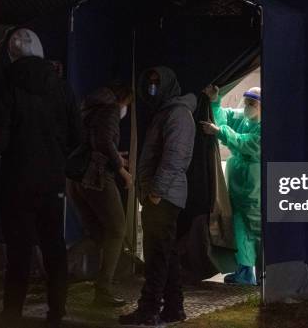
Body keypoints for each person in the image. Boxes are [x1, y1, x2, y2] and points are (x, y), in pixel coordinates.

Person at [0, 28, 82, 327]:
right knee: (54, 246)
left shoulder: (7, 84)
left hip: (16, 181)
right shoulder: (61, 85)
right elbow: (77, 134)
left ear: (12, 55)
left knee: (19, 251)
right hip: (51, 180)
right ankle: (56, 313)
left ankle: (12, 313)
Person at [119, 67, 196, 326]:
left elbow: (175, 158)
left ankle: (148, 310)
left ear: (168, 84)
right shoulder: (166, 112)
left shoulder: (178, 114)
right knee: (167, 254)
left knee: (156, 257)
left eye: (156, 82)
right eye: (149, 82)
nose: (151, 87)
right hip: (161, 195)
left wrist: (155, 192)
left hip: (163, 197)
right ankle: (174, 308)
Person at [68, 84, 133, 306]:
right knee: (117, 229)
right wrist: (122, 170)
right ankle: (103, 291)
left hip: (76, 178)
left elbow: (91, 142)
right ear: (125, 97)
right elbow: (103, 142)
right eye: (130, 102)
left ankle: (63, 275)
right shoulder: (111, 108)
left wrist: (117, 156)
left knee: (98, 233)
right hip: (96, 177)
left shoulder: (89, 107)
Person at [201, 85, 261, 286]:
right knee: (239, 228)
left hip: (255, 185)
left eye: (252, 103)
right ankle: (244, 272)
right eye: (246, 102)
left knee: (255, 229)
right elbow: (223, 116)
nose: (247, 106)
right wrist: (216, 102)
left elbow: (246, 143)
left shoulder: (265, 128)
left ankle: (264, 275)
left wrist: (221, 133)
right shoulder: (244, 118)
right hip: (238, 183)